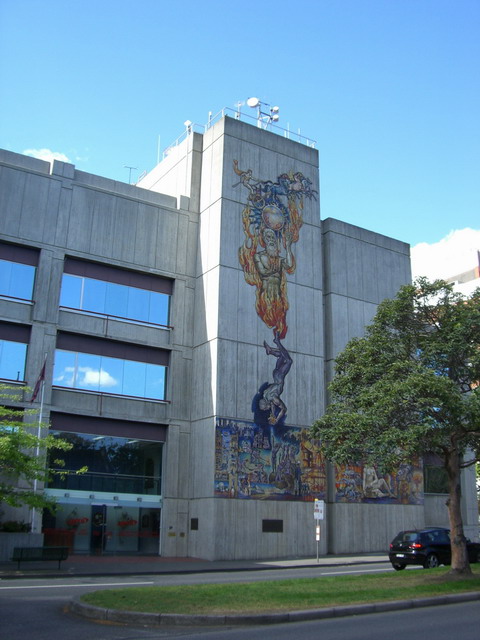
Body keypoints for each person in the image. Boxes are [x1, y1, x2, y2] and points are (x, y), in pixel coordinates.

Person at [259, 331, 292, 424]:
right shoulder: (266, 395)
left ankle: (277, 341)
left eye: (265, 409)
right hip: (276, 374)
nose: (266, 410)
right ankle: (271, 351)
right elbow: (272, 405)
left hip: (280, 376)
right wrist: (273, 415)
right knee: (282, 355)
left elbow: (284, 409)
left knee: (289, 361)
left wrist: (277, 420)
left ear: (266, 405)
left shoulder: (274, 399)